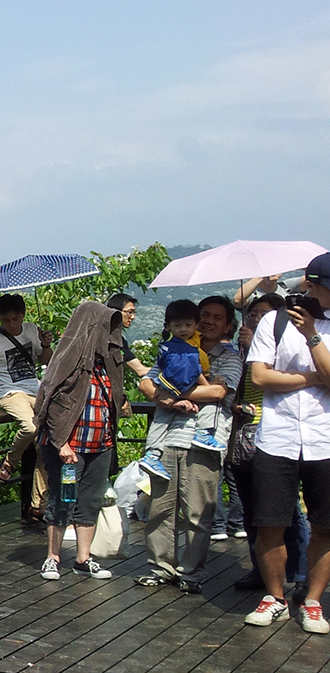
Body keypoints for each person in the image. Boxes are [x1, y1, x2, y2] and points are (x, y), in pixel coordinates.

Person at [242, 256, 330, 634]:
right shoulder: (273, 321)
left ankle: (312, 600)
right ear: (311, 284)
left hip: (325, 438)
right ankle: (275, 596)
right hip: (277, 437)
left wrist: (312, 334)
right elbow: (260, 376)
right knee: (270, 524)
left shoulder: (316, 327)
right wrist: (312, 376)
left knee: (325, 526)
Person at [134, 296, 242, 594]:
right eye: (204, 315)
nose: (208, 321)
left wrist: (172, 394)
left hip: (205, 443)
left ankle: (191, 572)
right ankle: (160, 567)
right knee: (161, 509)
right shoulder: (176, 349)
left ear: (227, 326)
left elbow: (219, 392)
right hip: (169, 440)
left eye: (216, 318)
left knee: (198, 513)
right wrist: (170, 395)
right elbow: (146, 382)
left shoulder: (229, 357)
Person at [32, 300, 124, 580]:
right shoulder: (68, 362)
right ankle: (53, 557)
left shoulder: (105, 364)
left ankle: (83, 558)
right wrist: (61, 443)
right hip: (68, 448)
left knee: (90, 501)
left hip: (100, 444)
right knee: (63, 499)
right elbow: (50, 403)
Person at [228, 294, 309, 596]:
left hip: (278, 435)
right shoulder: (241, 350)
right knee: (256, 511)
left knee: (289, 514)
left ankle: (301, 574)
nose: (257, 319)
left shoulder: (287, 345)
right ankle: (260, 569)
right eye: (253, 314)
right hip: (246, 436)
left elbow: (271, 380)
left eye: (264, 314)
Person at [0, 293, 53, 515]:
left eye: (15, 319)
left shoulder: (31, 330)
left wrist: (46, 344)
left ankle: (39, 504)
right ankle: (9, 462)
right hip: (11, 393)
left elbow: (47, 360)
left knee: (47, 445)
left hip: (35, 389)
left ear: (22, 315)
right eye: (5, 320)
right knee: (30, 427)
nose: (11, 324)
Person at [137, 299, 221, 479]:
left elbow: (155, 373)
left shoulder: (167, 346)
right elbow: (196, 372)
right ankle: (204, 432)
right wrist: (207, 386)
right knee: (211, 405)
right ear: (168, 326)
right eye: (178, 325)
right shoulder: (189, 349)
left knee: (161, 420)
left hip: (165, 388)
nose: (183, 329)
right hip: (178, 389)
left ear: (196, 325)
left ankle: (152, 454)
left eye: (188, 325)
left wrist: (170, 395)